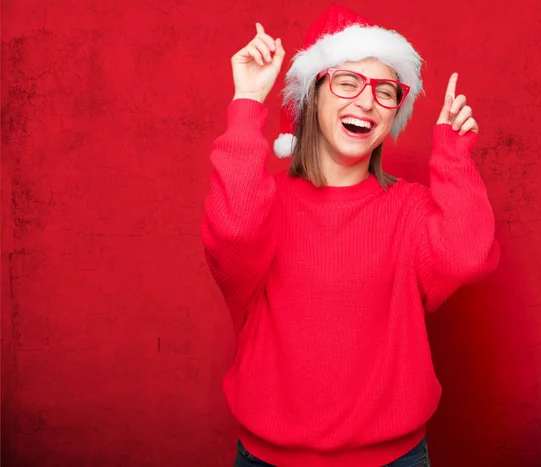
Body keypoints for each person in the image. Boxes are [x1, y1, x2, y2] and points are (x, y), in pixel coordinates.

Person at [201, 5, 500, 467]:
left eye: (385, 92)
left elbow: (467, 257)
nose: (366, 102)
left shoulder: (410, 208)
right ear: (313, 96)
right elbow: (234, 232)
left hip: (393, 459)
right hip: (268, 459)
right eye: (347, 82)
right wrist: (247, 103)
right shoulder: (265, 203)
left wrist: (454, 159)